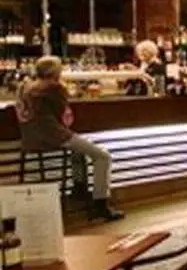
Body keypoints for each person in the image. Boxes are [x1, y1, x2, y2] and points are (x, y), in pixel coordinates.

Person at [16, 56, 124, 221]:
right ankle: (101, 204)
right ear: (56, 72)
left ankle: (79, 190)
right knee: (102, 156)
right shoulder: (54, 88)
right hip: (55, 136)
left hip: (29, 139)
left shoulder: (25, 87)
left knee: (78, 152)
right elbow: (64, 115)